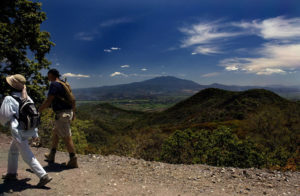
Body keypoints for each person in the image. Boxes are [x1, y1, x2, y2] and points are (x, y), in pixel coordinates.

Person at [0, 74, 52, 187]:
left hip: (18, 132)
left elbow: (4, 116)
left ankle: (43, 175)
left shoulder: (9, 99)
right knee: (13, 150)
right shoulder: (28, 98)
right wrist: (35, 133)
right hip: (28, 130)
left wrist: (5, 123)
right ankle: (11, 173)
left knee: (26, 154)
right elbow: (33, 116)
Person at [39, 69, 78, 168]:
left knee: (66, 136)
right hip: (65, 113)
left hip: (62, 114)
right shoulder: (62, 83)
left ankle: (73, 159)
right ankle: (51, 155)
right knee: (56, 133)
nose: (47, 77)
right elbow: (72, 99)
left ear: (51, 75)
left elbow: (49, 100)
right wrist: (74, 113)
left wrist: (38, 110)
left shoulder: (54, 84)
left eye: (48, 75)